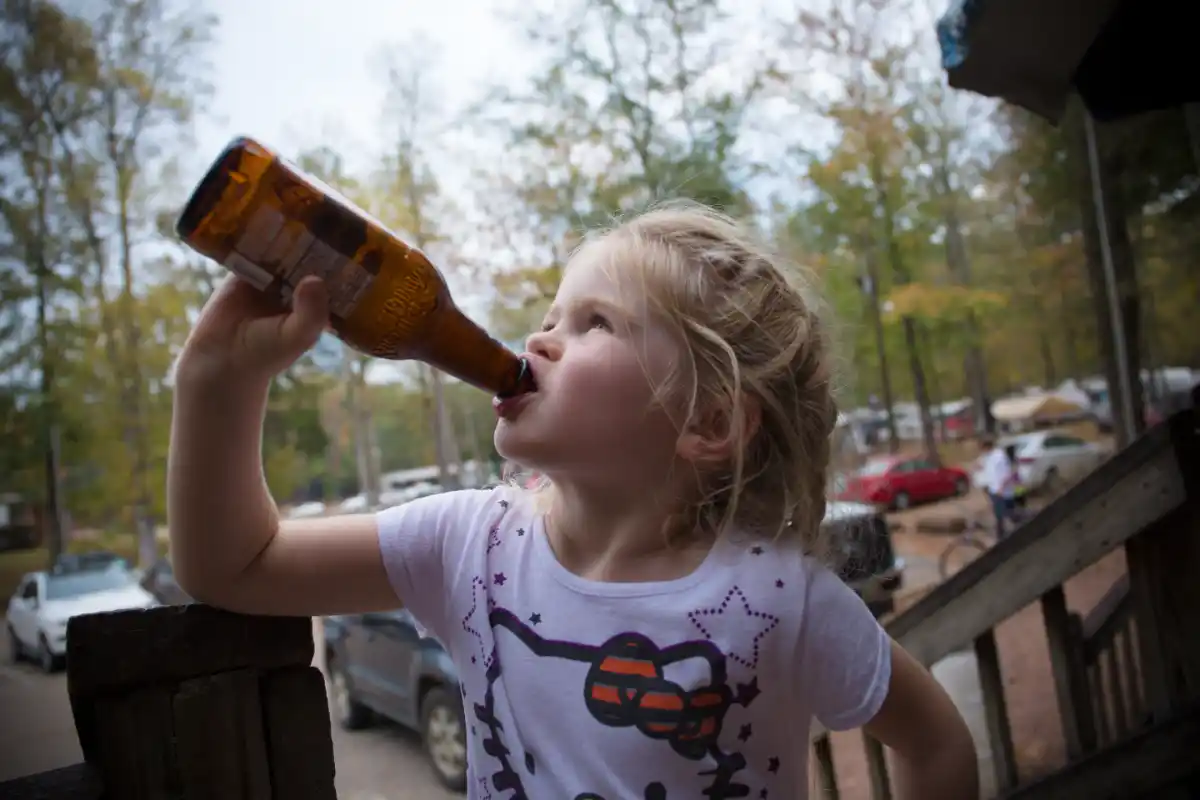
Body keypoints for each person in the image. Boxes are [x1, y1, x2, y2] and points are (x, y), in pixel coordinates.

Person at [168, 202, 977, 799]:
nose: (537, 340)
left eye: (595, 323)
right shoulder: (467, 546)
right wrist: (216, 384)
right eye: (550, 314)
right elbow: (236, 565)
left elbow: (936, 743)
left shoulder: (775, 598)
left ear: (710, 420)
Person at [976, 436, 1020, 537]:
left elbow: (1007, 473)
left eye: (981, 448)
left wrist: (1001, 487)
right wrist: (977, 467)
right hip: (994, 490)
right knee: (999, 514)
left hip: (1003, 491)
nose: (981, 450)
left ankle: (1015, 526)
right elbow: (981, 465)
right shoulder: (986, 456)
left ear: (987, 447)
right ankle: (1001, 534)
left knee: (1008, 513)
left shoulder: (999, 456)